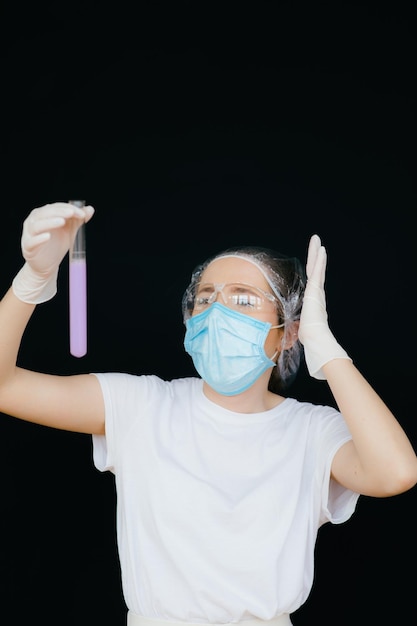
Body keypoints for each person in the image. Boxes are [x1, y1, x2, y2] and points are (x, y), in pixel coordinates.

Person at [1, 202, 416, 626]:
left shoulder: (311, 429)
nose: (219, 312)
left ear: (288, 330)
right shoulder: (142, 405)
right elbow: (4, 386)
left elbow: (394, 473)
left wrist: (324, 346)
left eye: (244, 298)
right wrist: (33, 278)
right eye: (205, 298)